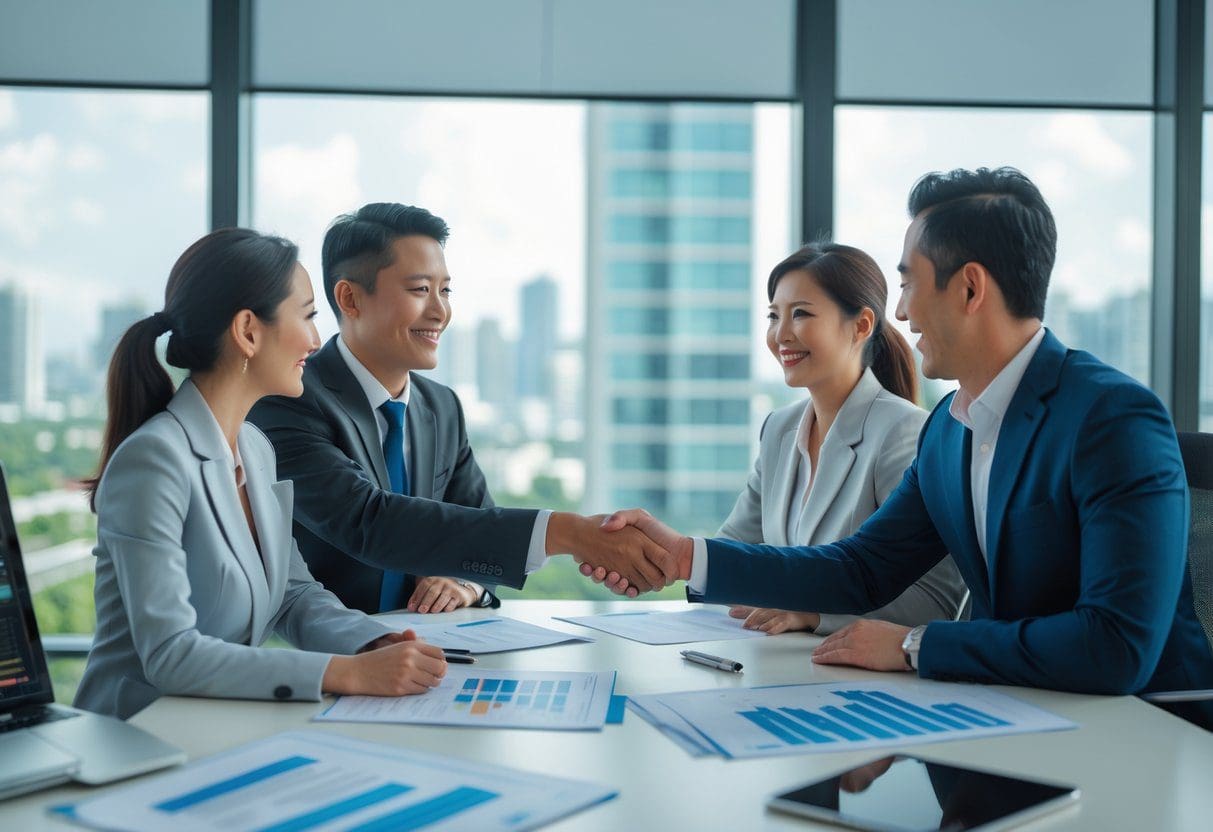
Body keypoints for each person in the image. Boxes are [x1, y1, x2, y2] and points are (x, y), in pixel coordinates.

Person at [595, 167, 1213, 730]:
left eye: (909, 283)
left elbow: (1116, 647)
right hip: (1017, 713)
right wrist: (685, 557)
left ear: (970, 289)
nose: (903, 311)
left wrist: (915, 645)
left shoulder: (1112, 419)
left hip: (1147, 731)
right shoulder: (951, 427)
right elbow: (859, 568)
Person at [74, 229, 447, 720]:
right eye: (309, 315)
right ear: (249, 330)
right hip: (136, 738)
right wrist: (344, 673)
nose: (317, 341)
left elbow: (292, 596)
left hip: (215, 727)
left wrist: (373, 640)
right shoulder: (154, 460)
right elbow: (170, 654)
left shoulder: (254, 449)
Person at [249, 203, 673, 616]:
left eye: (445, 290)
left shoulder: (442, 407)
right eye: (420, 290)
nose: (440, 311)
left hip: (435, 653)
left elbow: (479, 529)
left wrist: (465, 584)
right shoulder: (289, 400)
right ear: (350, 298)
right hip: (326, 658)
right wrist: (569, 533)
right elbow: (369, 522)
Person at [718, 242, 966, 636]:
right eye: (773, 315)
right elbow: (731, 554)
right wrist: (654, 553)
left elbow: (933, 599)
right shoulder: (779, 430)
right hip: (781, 663)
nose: (780, 334)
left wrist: (814, 615)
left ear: (862, 325)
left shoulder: (904, 433)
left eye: (800, 314)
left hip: (861, 678)